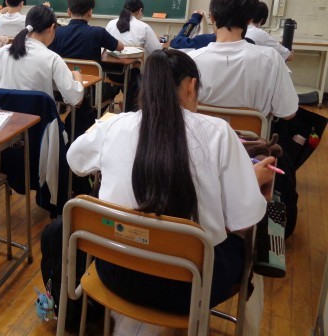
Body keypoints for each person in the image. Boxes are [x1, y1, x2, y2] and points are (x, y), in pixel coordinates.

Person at [67, 48, 274, 314]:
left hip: (117, 270)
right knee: (238, 240)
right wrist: (251, 181)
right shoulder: (219, 132)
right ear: (191, 85)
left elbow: (75, 160)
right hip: (192, 286)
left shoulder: (115, 125)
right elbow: (244, 217)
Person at [188, 0, 298, 119]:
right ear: (250, 20)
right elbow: (288, 113)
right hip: (250, 133)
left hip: (203, 132)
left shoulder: (190, 60)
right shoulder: (271, 59)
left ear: (212, 17)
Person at [0, 5, 84, 106]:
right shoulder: (53, 58)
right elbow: (75, 99)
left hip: (6, 115)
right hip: (38, 117)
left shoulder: (5, 50)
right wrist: (77, 76)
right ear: (52, 28)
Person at [49, 0, 122, 62]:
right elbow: (120, 47)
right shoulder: (99, 32)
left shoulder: (56, 32)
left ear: (68, 12)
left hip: (64, 70)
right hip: (92, 70)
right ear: (90, 12)